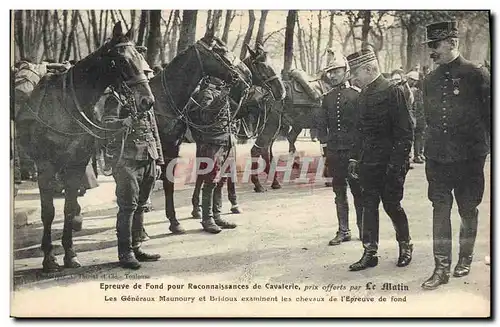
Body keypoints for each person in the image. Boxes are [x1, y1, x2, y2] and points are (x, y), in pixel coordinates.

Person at [420, 21, 491, 290]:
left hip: (469, 158)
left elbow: (490, 117)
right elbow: (428, 118)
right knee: (440, 209)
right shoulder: (429, 80)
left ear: (451, 43)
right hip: (438, 157)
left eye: (435, 45)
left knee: (467, 209)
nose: (431, 52)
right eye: (429, 46)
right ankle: (441, 268)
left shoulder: (477, 74)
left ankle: (466, 257)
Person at [346, 48, 414, 271]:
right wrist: (355, 159)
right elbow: (359, 131)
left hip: (390, 163)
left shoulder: (392, 91)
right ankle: (370, 252)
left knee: (392, 205)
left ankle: (405, 246)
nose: (352, 77)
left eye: (355, 72)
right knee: (369, 206)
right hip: (369, 163)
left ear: (369, 68)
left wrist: (396, 165)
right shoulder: (363, 93)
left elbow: (405, 133)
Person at [102, 75, 163, 271]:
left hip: (149, 157)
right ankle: (125, 252)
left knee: (141, 205)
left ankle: (137, 247)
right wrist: (122, 122)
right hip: (127, 160)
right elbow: (106, 124)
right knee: (128, 206)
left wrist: (159, 160)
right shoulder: (115, 98)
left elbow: (154, 131)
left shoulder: (146, 99)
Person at [315, 48, 363, 246]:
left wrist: (359, 153)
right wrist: (326, 148)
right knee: (339, 192)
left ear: (346, 71)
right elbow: (321, 126)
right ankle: (343, 230)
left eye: (337, 71)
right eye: (331, 72)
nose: (333, 75)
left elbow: (362, 127)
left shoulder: (357, 95)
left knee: (358, 192)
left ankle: (364, 229)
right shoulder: (326, 98)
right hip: (335, 153)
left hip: (353, 153)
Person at [187, 76, 237, 234]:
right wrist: (222, 97)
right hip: (211, 142)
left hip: (225, 141)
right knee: (211, 180)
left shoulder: (220, 92)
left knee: (221, 180)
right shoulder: (206, 93)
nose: (222, 75)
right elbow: (206, 115)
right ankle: (207, 219)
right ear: (210, 78)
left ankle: (217, 215)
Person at [406, 71, 425, 164]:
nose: (413, 82)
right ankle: (413, 156)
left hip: (417, 116)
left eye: (415, 81)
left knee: (419, 135)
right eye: (412, 80)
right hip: (412, 116)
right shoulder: (410, 90)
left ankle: (418, 154)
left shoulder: (417, 91)